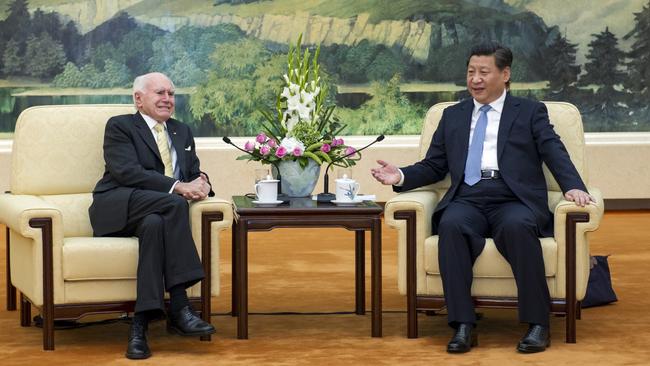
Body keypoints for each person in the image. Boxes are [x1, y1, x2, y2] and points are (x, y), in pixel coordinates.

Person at [371, 42, 594, 354]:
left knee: (518, 227)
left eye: (483, 72)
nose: (475, 79)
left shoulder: (530, 112)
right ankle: (463, 325)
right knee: (451, 225)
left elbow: (552, 149)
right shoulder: (452, 116)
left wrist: (573, 185)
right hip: (469, 197)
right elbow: (435, 165)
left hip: (513, 198)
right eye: (471, 72)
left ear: (505, 74)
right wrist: (402, 176)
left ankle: (538, 324)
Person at [89, 72, 215, 360]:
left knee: (155, 223)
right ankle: (181, 307)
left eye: (171, 94)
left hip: (154, 212)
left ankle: (139, 326)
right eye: (160, 93)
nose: (168, 99)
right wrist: (178, 187)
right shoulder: (121, 126)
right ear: (138, 98)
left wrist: (203, 182)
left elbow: (192, 171)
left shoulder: (181, 131)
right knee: (174, 205)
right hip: (118, 205)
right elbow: (127, 172)